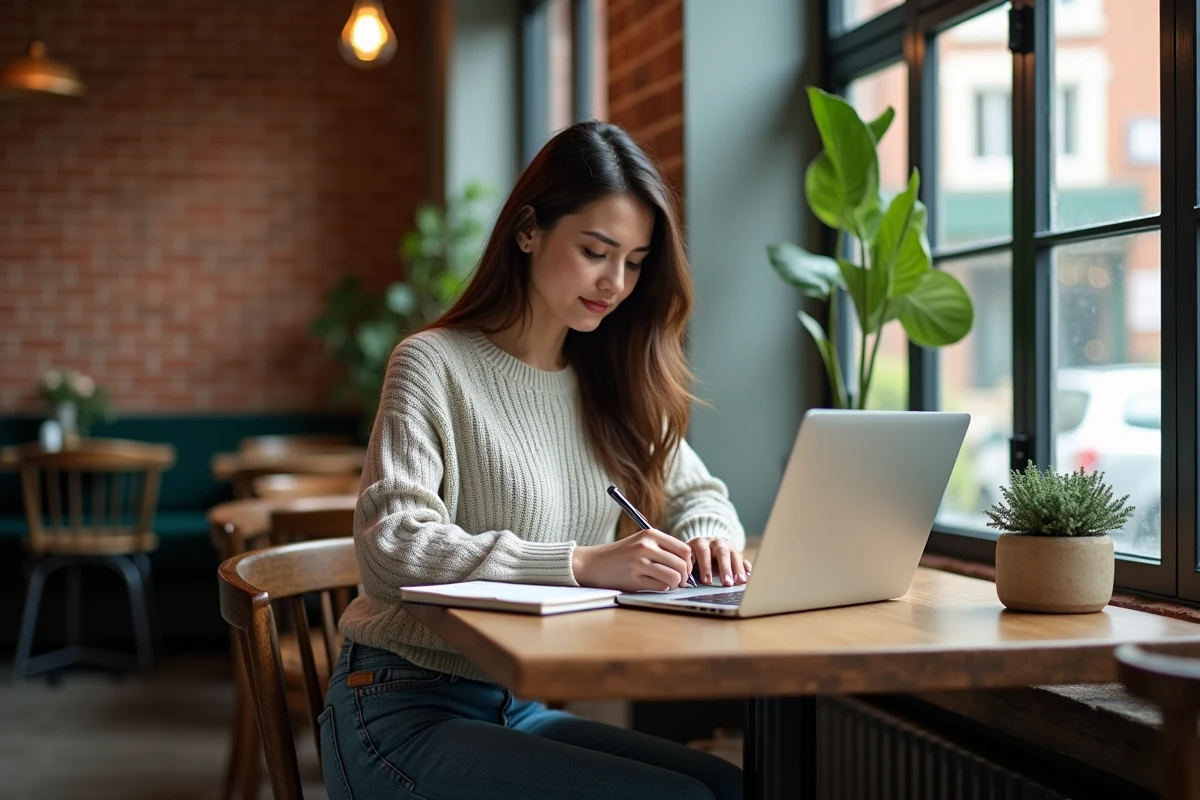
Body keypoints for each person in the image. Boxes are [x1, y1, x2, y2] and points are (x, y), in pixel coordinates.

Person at [321, 120, 749, 800]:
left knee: (730, 787)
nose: (615, 282)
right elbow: (391, 546)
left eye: (635, 262)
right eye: (595, 251)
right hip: (399, 708)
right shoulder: (433, 363)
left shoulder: (609, 380)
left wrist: (708, 541)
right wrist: (578, 564)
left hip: (514, 704)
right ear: (527, 230)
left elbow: (701, 493)